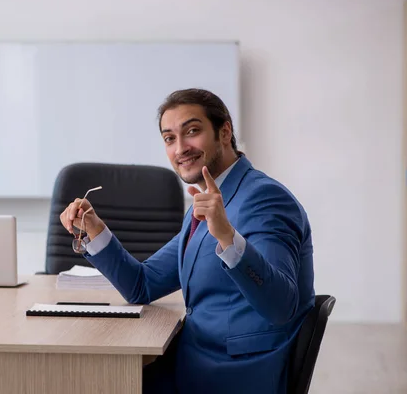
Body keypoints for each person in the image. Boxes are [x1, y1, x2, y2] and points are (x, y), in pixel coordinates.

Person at [60, 88, 315, 394]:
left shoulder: (263, 198)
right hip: (196, 360)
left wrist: (227, 237)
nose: (180, 148)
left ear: (224, 132)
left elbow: (281, 306)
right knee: (82, 379)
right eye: (169, 138)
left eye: (192, 131)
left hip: (236, 375)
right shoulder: (207, 201)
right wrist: (95, 230)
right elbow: (141, 285)